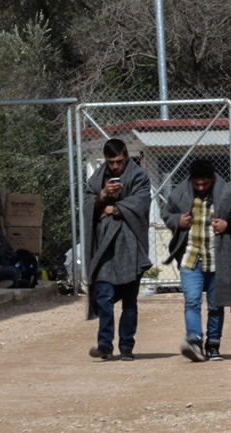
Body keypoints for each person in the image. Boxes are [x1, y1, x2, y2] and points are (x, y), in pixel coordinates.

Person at [162, 159, 231, 363]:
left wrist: (229, 224)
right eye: (197, 184)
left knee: (216, 305)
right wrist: (177, 222)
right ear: (190, 181)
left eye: (205, 184)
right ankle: (194, 341)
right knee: (191, 301)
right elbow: (167, 214)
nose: (201, 188)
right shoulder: (180, 193)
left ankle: (214, 346)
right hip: (191, 260)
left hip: (219, 260)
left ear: (213, 180)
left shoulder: (227, 192)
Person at [84, 138, 152, 361]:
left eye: (120, 162)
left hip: (130, 246)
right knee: (104, 297)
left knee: (130, 302)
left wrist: (114, 209)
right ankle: (104, 345)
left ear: (126, 157)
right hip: (105, 248)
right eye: (111, 162)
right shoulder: (97, 179)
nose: (115, 167)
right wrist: (103, 195)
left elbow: (141, 203)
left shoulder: (139, 177)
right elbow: (87, 205)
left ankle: (126, 347)